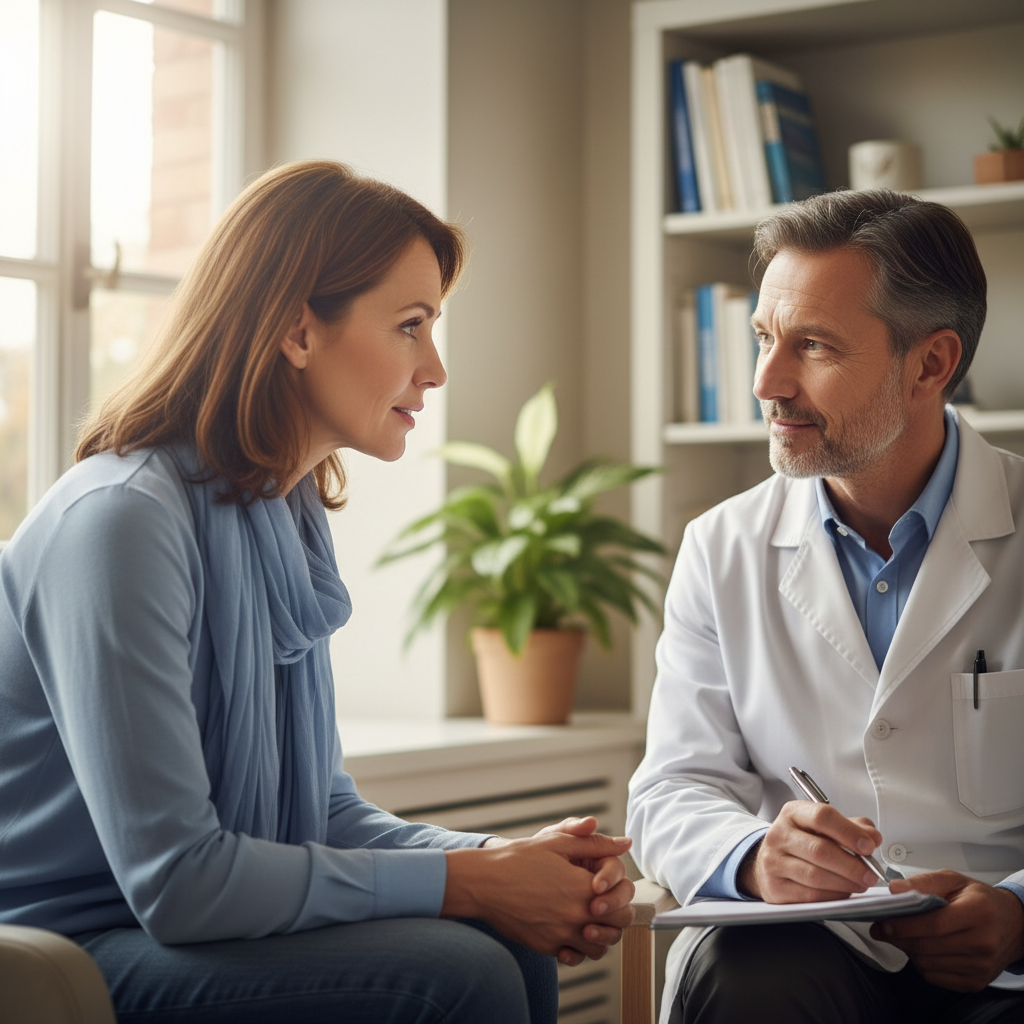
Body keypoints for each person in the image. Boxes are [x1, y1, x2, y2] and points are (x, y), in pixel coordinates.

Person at [0, 160, 635, 1024]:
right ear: (299, 333)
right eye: (410, 326)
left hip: (174, 934)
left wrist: (505, 861)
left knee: (509, 944)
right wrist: (469, 882)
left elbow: (321, 809)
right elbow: (180, 882)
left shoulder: (280, 512)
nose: (436, 369)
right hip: (67, 953)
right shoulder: (121, 521)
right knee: (460, 974)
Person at [626, 188, 1024, 1024]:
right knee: (753, 986)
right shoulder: (720, 546)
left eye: (812, 346)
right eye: (764, 339)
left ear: (930, 364)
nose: (768, 383)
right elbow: (671, 789)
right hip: (805, 947)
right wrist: (752, 855)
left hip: (1004, 963)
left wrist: (1019, 910)